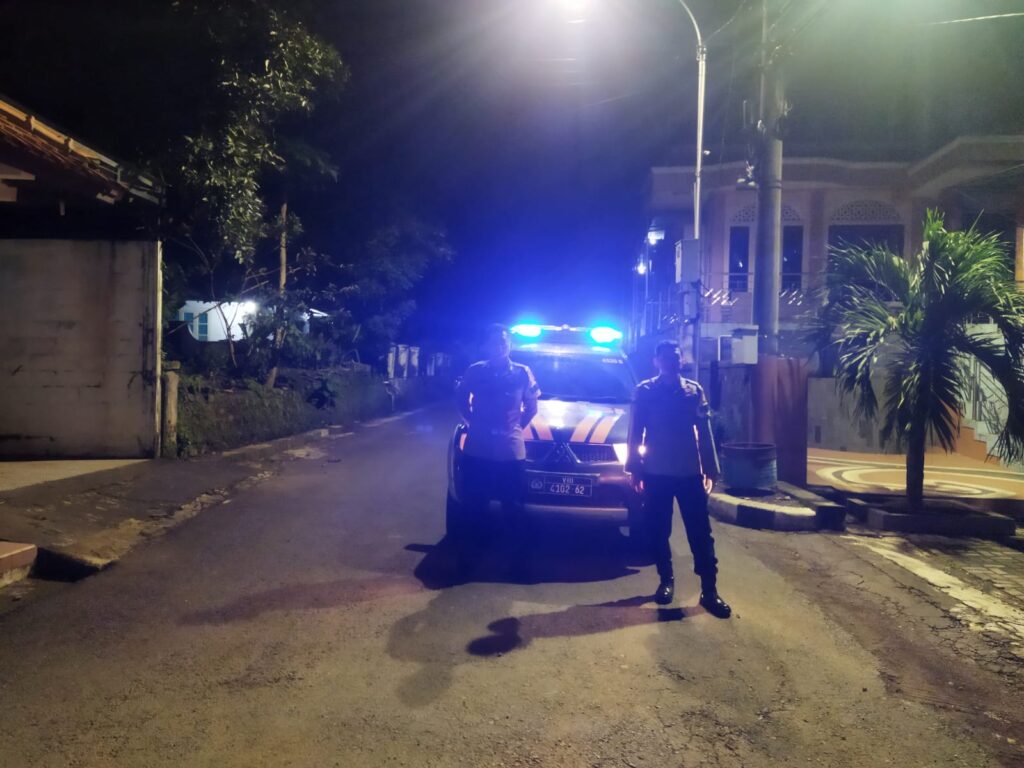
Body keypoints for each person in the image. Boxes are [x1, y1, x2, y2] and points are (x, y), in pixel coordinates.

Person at [625, 340, 731, 618]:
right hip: (656, 472)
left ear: (681, 360)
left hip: (688, 473)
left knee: (700, 534)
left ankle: (710, 591)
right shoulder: (645, 392)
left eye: (675, 357)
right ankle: (666, 580)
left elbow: (704, 431)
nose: (670, 361)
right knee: (658, 531)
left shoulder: (693, 392)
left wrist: (711, 468)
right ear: (656, 362)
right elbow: (636, 433)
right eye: (665, 357)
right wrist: (635, 468)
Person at [455, 324, 540, 558]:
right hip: (478, 450)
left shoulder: (523, 373)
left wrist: (514, 428)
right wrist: (472, 422)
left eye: (503, 342)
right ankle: (471, 558)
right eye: (494, 342)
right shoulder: (475, 371)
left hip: (510, 453)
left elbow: (532, 407)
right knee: (475, 506)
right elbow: (461, 399)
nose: (499, 346)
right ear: (486, 345)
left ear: (510, 344)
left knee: (513, 509)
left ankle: (515, 562)